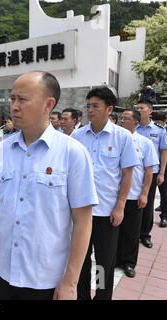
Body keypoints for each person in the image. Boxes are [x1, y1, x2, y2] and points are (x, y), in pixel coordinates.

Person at [0, 71, 97, 300]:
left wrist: (70, 282)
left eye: (22, 99)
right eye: (12, 99)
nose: (14, 106)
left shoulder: (73, 153)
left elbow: (83, 220)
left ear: (48, 104)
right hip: (3, 271)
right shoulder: (0, 150)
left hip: (45, 279)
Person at [73, 86, 139, 300]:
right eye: (88, 106)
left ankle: (101, 297)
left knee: (103, 263)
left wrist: (120, 206)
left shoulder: (122, 137)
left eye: (96, 106)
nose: (90, 110)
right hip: (81, 213)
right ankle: (82, 296)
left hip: (106, 213)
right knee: (81, 260)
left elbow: (127, 174)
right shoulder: (78, 135)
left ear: (109, 109)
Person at [117, 110, 158, 278]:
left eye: (126, 118)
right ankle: (114, 260)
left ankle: (128, 262)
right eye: (121, 118)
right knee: (114, 232)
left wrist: (145, 193)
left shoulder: (145, 143)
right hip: (114, 196)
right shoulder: (114, 139)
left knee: (131, 232)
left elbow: (149, 171)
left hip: (133, 196)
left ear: (136, 122)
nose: (122, 121)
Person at [135, 100, 167, 235]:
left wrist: (162, 173)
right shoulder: (131, 128)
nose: (138, 110)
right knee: (133, 203)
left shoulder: (159, 130)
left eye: (141, 108)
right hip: (133, 172)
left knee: (147, 203)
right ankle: (133, 232)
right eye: (136, 108)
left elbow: (164, 151)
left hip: (151, 172)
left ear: (150, 110)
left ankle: (145, 234)